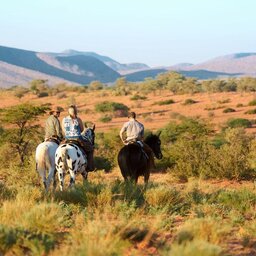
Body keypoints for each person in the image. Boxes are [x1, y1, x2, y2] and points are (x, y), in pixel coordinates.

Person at [62, 105, 95, 172]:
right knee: (90, 148)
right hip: (77, 139)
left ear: (68, 112)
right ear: (75, 111)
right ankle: (89, 167)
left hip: (67, 139)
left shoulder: (64, 119)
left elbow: (63, 129)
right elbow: (82, 129)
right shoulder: (78, 119)